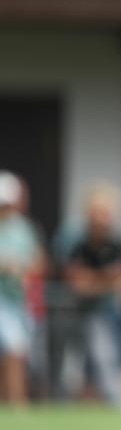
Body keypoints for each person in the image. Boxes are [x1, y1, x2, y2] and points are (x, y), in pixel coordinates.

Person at [63, 185, 121, 406]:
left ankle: (118, 401)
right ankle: (63, 403)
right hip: (77, 312)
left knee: (107, 358)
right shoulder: (79, 245)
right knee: (72, 363)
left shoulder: (117, 245)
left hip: (108, 314)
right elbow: (78, 282)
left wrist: (97, 281)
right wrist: (104, 279)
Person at [0, 172, 42, 406]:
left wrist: (22, 268)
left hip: (17, 301)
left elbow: (37, 261)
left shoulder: (23, 229)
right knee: (12, 350)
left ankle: (15, 403)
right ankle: (15, 403)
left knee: (15, 353)